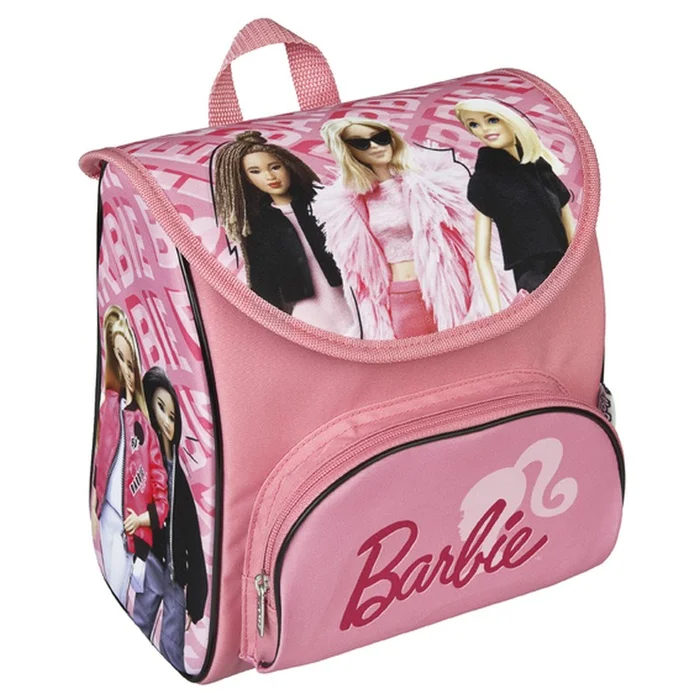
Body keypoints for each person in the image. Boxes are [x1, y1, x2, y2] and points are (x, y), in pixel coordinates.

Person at [315, 117, 511, 340]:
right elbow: (361, 277)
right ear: (347, 151)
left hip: (448, 291)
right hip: (400, 298)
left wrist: (484, 300)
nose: (375, 146)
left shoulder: (435, 185)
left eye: (381, 138)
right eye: (361, 143)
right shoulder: (351, 206)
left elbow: (475, 245)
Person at [213, 130, 355, 334]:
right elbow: (263, 280)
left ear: (288, 166)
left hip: (352, 301)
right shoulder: (259, 226)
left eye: (275, 167)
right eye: (255, 172)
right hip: (308, 313)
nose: (269, 176)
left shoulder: (322, 204)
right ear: (247, 179)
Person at [454, 98, 576, 310]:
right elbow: (482, 257)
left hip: (569, 270)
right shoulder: (485, 180)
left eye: (492, 120)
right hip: (533, 278)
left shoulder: (540, 167)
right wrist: (497, 312)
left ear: (510, 119)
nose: (484, 129)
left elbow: (571, 231)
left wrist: (580, 269)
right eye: (473, 124)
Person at [131, 367, 208, 673]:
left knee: (172, 646)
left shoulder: (181, 480)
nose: (165, 420)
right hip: (152, 562)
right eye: (160, 408)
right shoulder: (147, 463)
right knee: (140, 622)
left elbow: (194, 542)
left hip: (177, 576)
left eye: (172, 415)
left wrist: (196, 603)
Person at [91, 306, 169, 607]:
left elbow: (161, 499)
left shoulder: (145, 428)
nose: (127, 369)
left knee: (118, 593)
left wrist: (141, 520)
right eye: (119, 359)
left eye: (130, 361)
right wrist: (95, 504)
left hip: (130, 533)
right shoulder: (109, 407)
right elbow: (101, 459)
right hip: (105, 516)